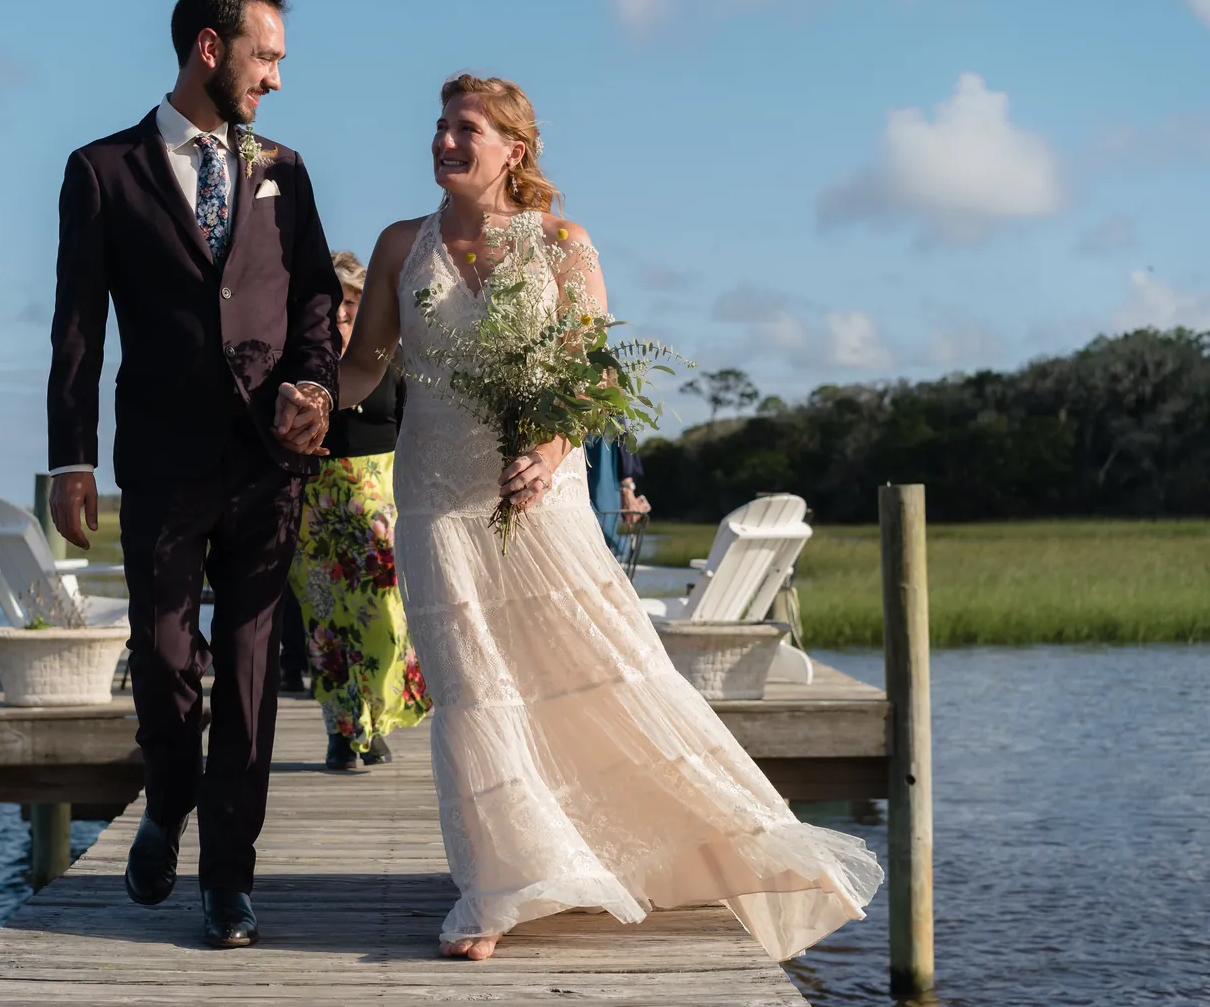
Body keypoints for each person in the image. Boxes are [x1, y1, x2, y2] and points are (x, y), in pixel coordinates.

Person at [331, 74, 883, 962]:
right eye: (438, 127)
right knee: (473, 688)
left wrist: (549, 452)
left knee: (597, 667)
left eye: (464, 128)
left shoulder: (562, 244)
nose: (443, 141)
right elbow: (366, 367)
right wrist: (317, 394)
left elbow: (591, 381)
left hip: (538, 501)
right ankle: (499, 885)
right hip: (435, 495)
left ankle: (709, 841)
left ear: (514, 149)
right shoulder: (401, 245)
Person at [44, 0, 340, 950]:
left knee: (251, 674)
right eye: (267, 58)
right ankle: (167, 797)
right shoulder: (103, 171)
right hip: (163, 464)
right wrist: (70, 461)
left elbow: (309, 302)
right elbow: (77, 331)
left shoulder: (287, 173)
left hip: (268, 467)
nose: (278, 80)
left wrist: (316, 386)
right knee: (166, 661)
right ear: (209, 52)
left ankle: (228, 880)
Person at [288, 250, 432, 771]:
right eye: (333, 308)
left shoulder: (392, 357)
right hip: (315, 503)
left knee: (385, 621)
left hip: (382, 500)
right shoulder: (299, 363)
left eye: (351, 306)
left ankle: (375, 717)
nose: (342, 318)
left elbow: (416, 426)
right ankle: (344, 733)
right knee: (326, 622)